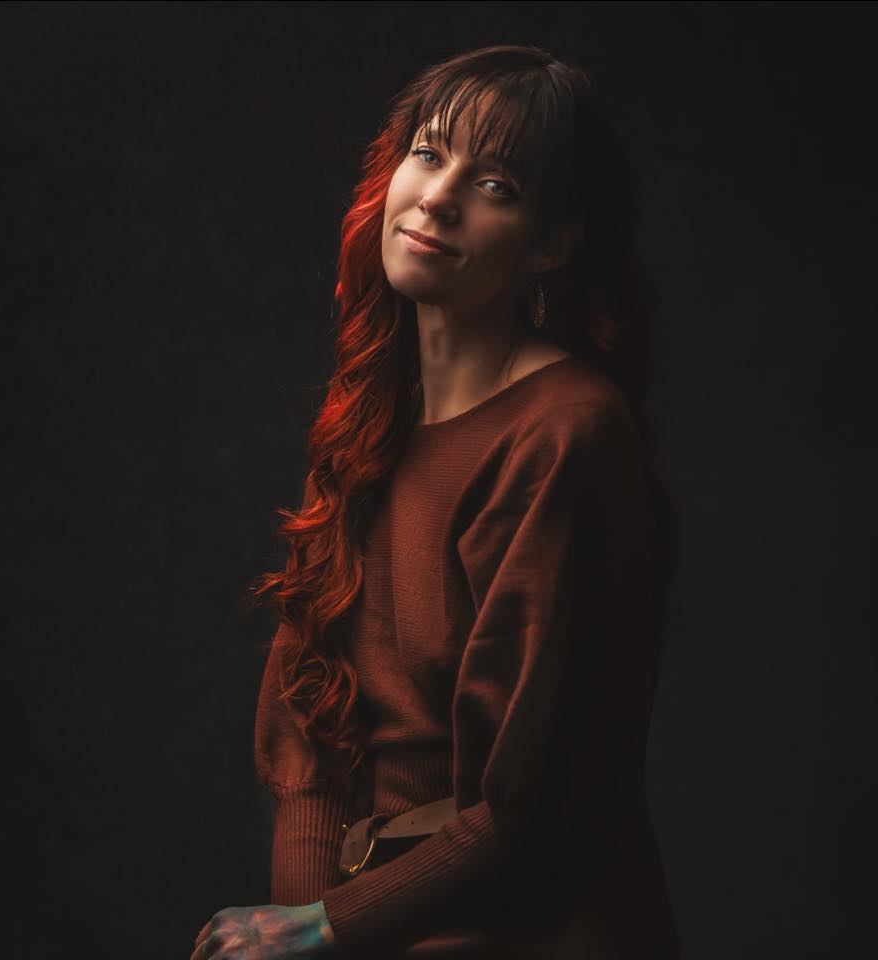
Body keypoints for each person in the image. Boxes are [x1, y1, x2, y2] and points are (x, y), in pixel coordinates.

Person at [192, 44, 681, 960]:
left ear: (554, 242)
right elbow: (310, 714)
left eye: (495, 184)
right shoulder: (371, 416)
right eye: (429, 152)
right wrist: (304, 919)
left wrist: (331, 928)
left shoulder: (567, 434)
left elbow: (532, 809)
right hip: (371, 921)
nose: (438, 197)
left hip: (524, 927)